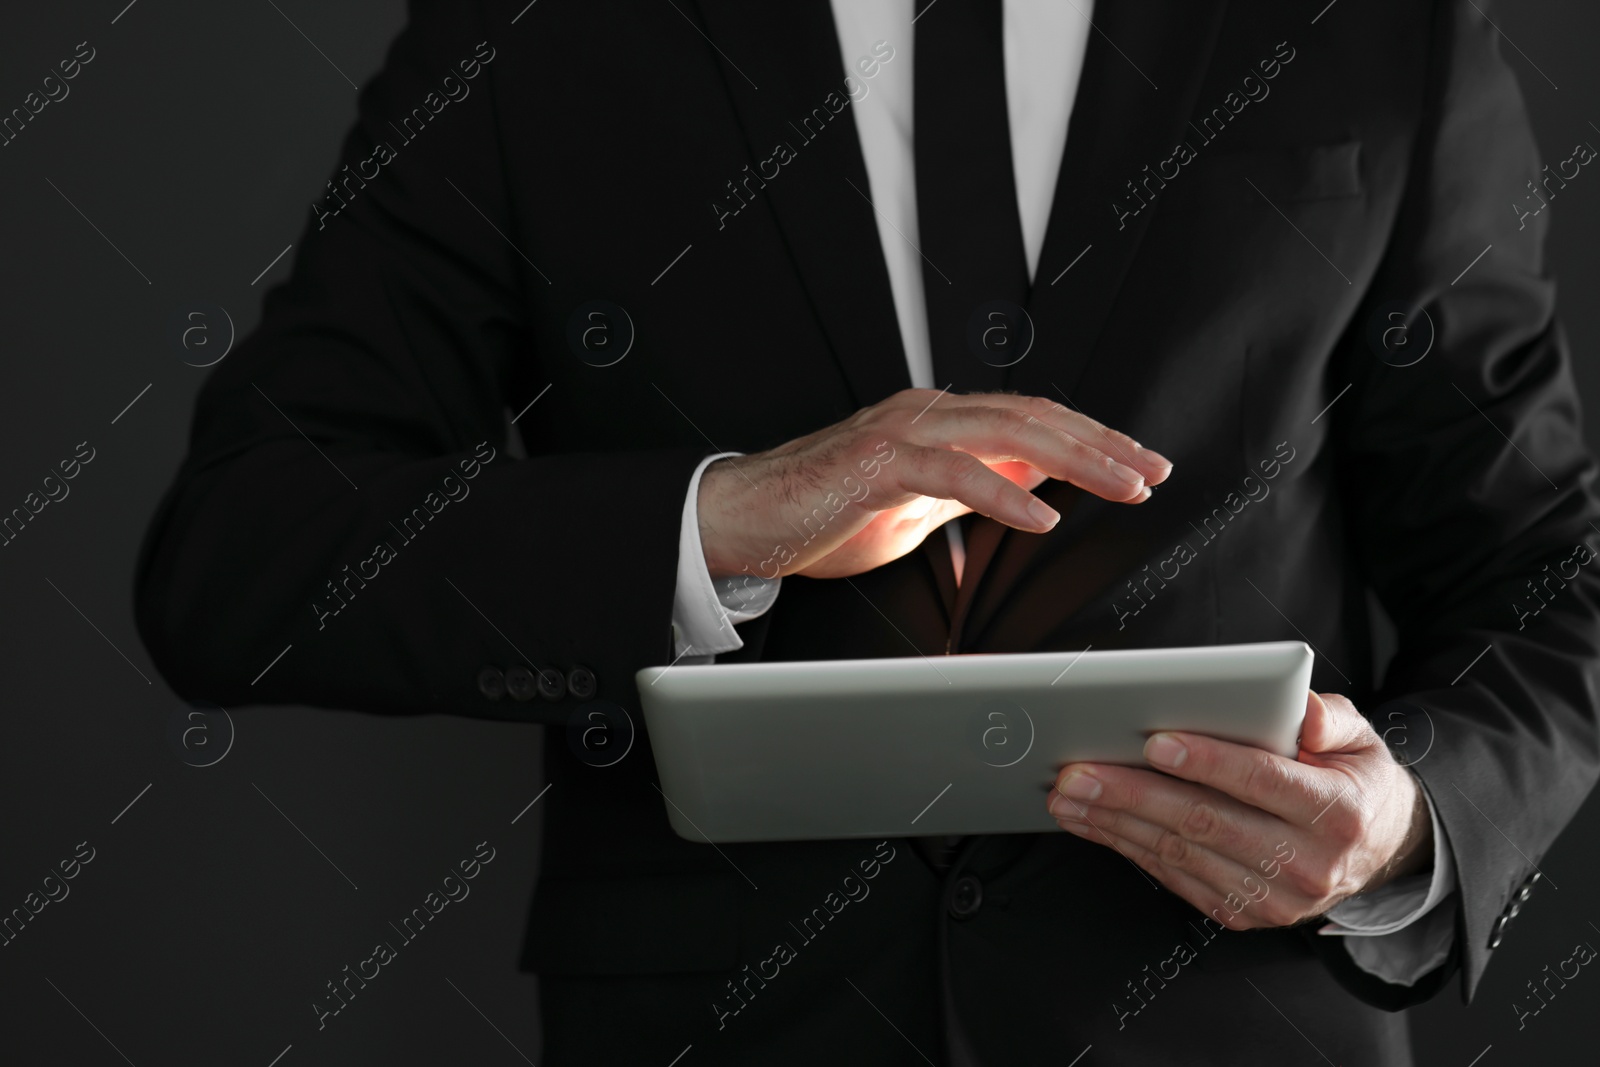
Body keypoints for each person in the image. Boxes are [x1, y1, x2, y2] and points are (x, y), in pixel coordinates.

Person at [135, 1, 1600, 1063]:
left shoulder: (1382, 28)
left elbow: (1549, 579)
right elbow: (239, 556)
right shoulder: (542, 33)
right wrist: (724, 522)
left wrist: (1403, 830)